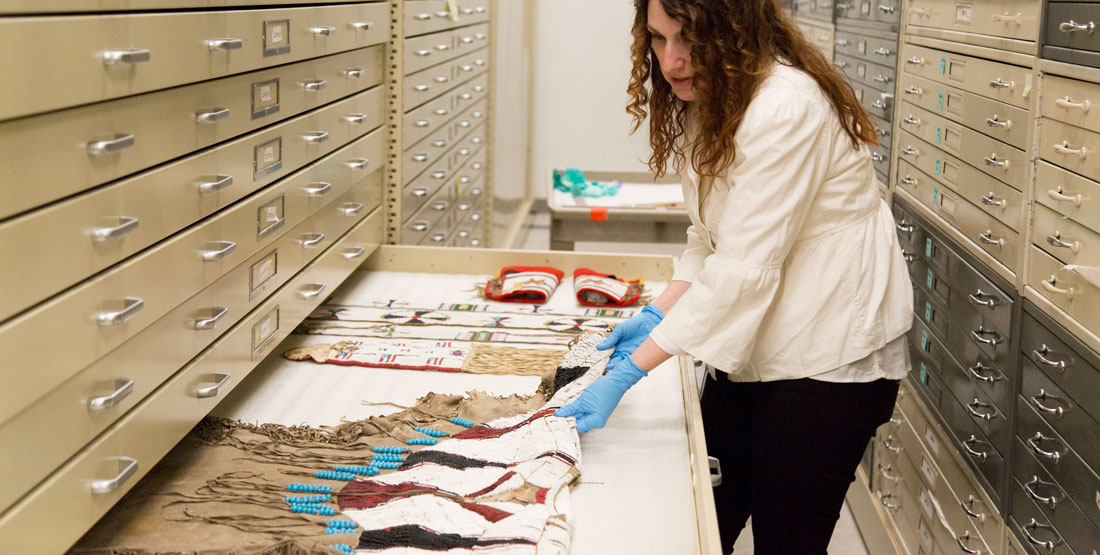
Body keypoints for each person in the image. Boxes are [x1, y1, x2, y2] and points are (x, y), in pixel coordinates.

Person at [553, 0, 915, 553]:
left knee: (787, 539)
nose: (671, 60)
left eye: (688, 38)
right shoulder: (713, 96)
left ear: (735, 30)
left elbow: (744, 268)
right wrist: (657, 314)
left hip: (828, 359)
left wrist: (632, 369)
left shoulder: (785, 107)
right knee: (699, 521)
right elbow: (709, 238)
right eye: (657, 38)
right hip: (760, 344)